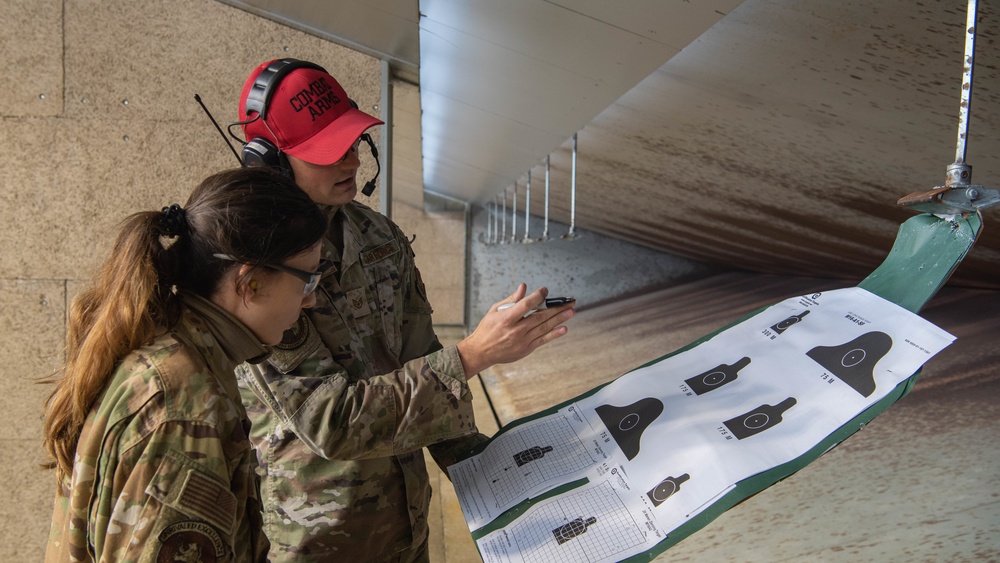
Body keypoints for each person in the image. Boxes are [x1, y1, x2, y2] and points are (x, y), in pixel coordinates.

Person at [233, 58, 577, 561]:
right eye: (328, 153)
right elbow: (330, 421)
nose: (351, 162)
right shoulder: (261, 278)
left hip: (406, 524)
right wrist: (472, 357)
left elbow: (419, 357)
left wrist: (503, 474)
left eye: (352, 143)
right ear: (270, 163)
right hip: (322, 540)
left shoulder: (378, 236)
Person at [42, 168, 328, 562]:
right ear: (250, 283)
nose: (311, 299)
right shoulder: (184, 406)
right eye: (307, 280)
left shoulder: (166, 350)